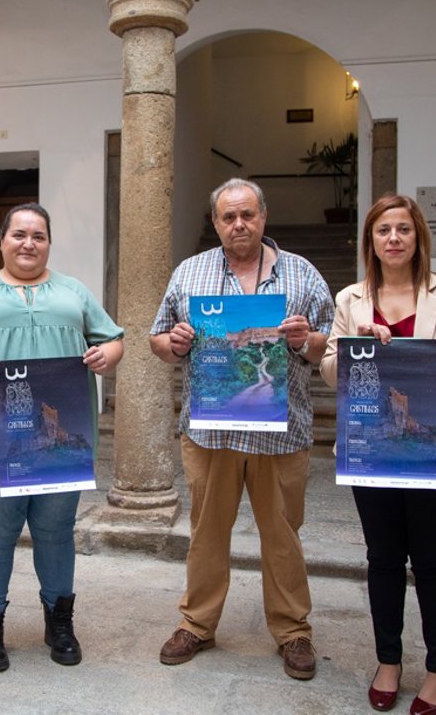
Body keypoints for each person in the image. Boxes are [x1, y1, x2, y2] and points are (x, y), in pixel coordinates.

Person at [149, 178, 333, 680]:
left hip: (281, 434)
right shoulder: (190, 273)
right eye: (228, 217)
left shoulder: (302, 274)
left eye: (247, 215)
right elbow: (157, 340)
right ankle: (197, 623)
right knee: (207, 534)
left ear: (263, 216)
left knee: (282, 536)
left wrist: (305, 339)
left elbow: (332, 345)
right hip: (211, 434)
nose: (239, 225)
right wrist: (175, 343)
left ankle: (293, 631)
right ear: (215, 223)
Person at [0, 203, 124, 672]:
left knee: (56, 532)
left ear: (49, 243)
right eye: (19, 234)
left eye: (38, 236)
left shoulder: (73, 291)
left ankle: (59, 620)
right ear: (2, 240)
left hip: (61, 436)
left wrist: (106, 356)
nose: (28, 243)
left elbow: (112, 339)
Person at [319, 194, 436, 715]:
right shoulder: (351, 299)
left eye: (403, 229)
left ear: (417, 238)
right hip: (371, 450)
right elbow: (329, 372)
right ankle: (388, 661)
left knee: (433, 563)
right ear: (370, 240)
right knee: (383, 560)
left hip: (434, 451)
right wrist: (354, 344)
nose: (393, 238)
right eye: (383, 230)